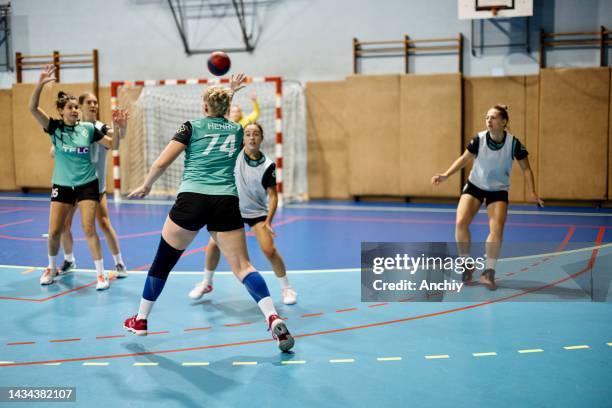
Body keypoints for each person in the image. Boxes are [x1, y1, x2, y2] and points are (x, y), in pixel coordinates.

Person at [123, 75, 295, 352]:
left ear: (203, 107)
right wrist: (229, 93)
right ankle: (272, 315)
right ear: (227, 108)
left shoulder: (191, 127)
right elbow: (221, 116)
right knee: (244, 267)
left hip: (192, 199)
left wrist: (146, 185)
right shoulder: (237, 131)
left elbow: (162, 161)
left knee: (162, 263)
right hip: (226, 201)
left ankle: (141, 319)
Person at [431, 104, 544, 290]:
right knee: (460, 223)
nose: (488, 120)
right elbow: (464, 159)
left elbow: (526, 169)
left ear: (503, 122)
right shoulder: (479, 139)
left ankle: (489, 272)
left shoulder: (514, 144)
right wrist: (445, 175)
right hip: (475, 185)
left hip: (498, 190)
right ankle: (466, 264)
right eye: (487, 117)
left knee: (496, 228)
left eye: (493, 117)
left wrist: (532, 193)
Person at [29, 65, 120, 290]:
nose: (75, 110)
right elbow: (32, 108)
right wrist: (40, 83)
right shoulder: (54, 128)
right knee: (54, 232)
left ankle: (100, 275)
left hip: (87, 184)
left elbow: (112, 145)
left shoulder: (87, 129)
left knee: (89, 228)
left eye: (76, 108)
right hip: (62, 186)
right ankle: (51, 267)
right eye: (70, 107)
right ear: (62, 111)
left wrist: (119, 129)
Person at [188, 122, 297, 305]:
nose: (251, 137)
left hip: (257, 213)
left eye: (255, 134)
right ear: (243, 138)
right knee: (213, 245)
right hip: (232, 210)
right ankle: (207, 282)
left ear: (261, 138)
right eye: (247, 134)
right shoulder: (235, 154)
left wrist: (268, 221)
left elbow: (274, 197)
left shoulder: (268, 165)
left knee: (269, 250)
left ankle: (287, 288)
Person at [52, 93, 129, 278]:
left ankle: (119, 264)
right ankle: (69, 260)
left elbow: (115, 141)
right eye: (89, 102)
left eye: (96, 102)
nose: (93, 105)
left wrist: (122, 129)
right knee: (64, 226)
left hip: (95, 186)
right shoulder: (70, 129)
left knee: (103, 223)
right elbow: (54, 151)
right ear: (79, 106)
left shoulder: (101, 127)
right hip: (72, 185)